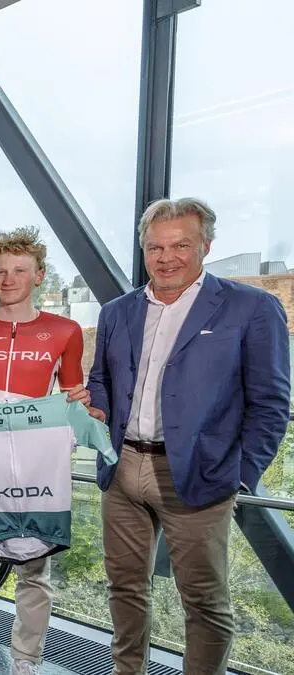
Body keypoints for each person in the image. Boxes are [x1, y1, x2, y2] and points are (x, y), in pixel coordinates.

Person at [87, 198, 290, 675]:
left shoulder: (250, 308)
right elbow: (102, 380)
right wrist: (97, 413)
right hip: (122, 469)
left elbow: (271, 402)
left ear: (206, 246)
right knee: (124, 588)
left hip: (201, 474)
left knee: (203, 601)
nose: (167, 258)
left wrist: (240, 474)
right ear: (144, 250)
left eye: (180, 245)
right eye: (155, 247)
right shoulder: (117, 311)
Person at [0, 227, 91, 675]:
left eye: (19, 270)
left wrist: (85, 413)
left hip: (34, 465)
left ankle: (26, 658)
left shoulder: (65, 331)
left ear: (39, 275)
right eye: (0, 271)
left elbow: (73, 398)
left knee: (35, 570)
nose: (8, 279)